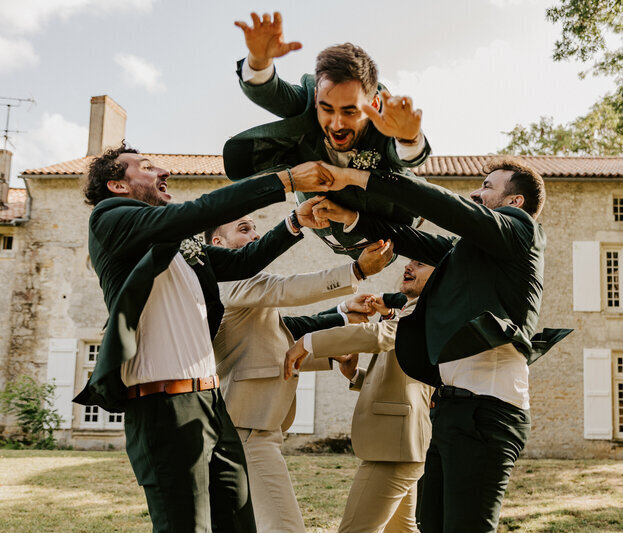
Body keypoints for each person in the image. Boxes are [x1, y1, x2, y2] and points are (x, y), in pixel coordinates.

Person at [73, 143, 336, 533]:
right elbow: (197, 213)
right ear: (117, 185)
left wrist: (294, 222)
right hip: (163, 406)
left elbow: (243, 262)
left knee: (239, 519)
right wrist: (285, 180)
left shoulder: (176, 242)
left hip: (212, 405)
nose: (163, 171)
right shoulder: (109, 219)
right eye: (146, 167)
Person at [306, 157, 571, 533]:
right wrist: (351, 217)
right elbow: (410, 238)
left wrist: (362, 179)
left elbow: (447, 208)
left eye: (487, 187)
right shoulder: (469, 252)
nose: (475, 193)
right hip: (448, 410)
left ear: (514, 203)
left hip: (488, 413)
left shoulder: (522, 230)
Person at [206, 214, 393, 532]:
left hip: (249, 428)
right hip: (247, 430)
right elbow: (287, 289)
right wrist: (356, 270)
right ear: (217, 243)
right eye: (243, 229)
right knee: (284, 526)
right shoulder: (229, 280)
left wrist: (341, 319)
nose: (254, 236)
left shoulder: (240, 290)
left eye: (255, 228)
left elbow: (278, 338)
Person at [224, 11, 431, 258]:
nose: (336, 124)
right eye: (327, 109)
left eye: (349, 111)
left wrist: (408, 138)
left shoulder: (385, 122)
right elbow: (272, 93)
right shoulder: (308, 101)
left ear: (373, 105)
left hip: (388, 227)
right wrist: (258, 60)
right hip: (331, 229)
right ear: (316, 100)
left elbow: (403, 156)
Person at [285, 260, 434, 533]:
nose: (409, 266)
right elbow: (406, 381)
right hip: (401, 445)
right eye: (410, 260)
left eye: (421, 263)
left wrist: (309, 341)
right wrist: (355, 375)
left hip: (395, 447)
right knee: (402, 531)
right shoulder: (410, 313)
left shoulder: (430, 310)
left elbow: (381, 336)